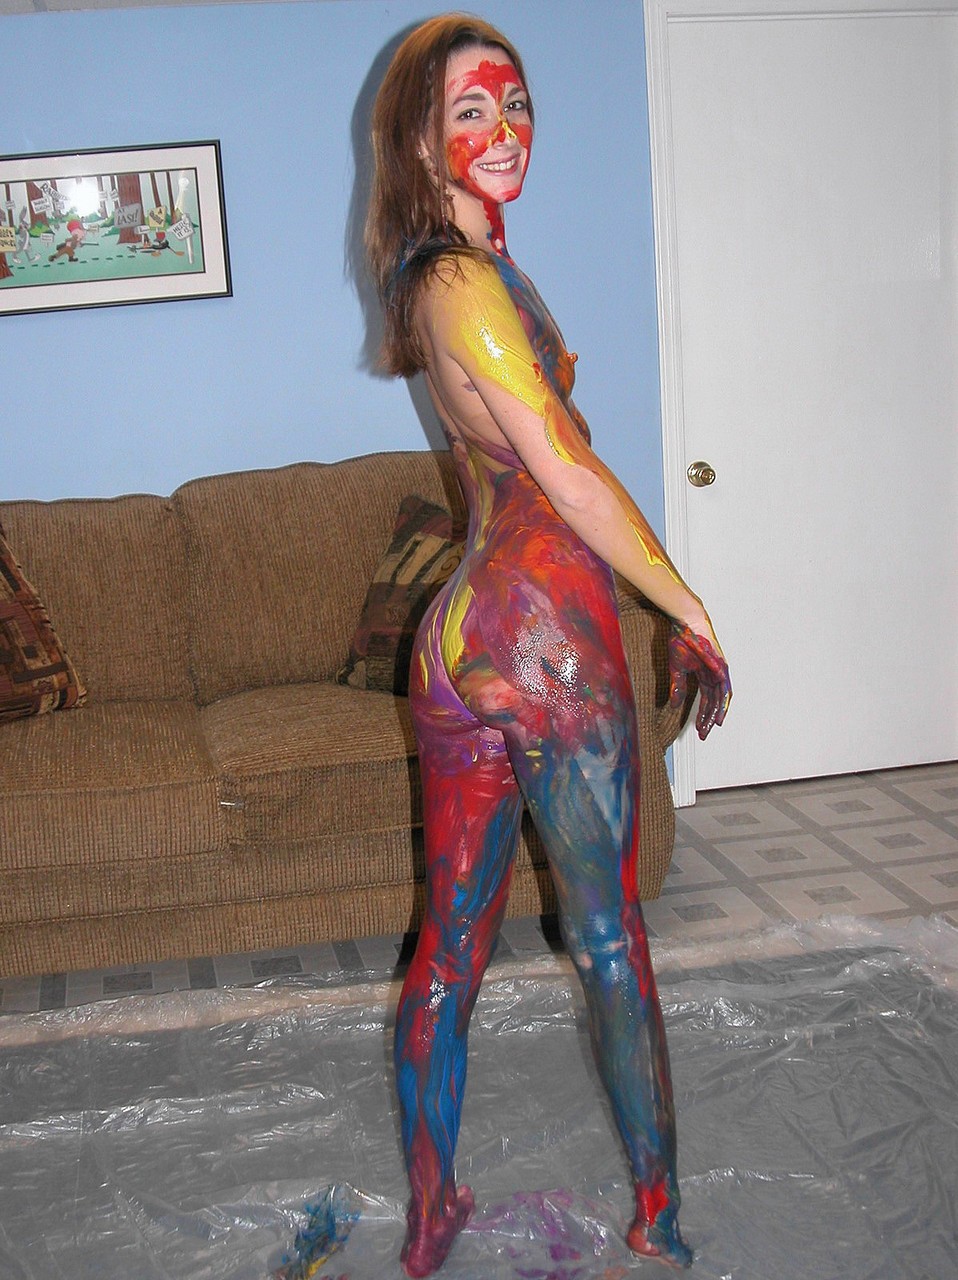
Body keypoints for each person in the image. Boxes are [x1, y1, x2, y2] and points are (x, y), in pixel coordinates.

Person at [365, 14, 731, 1277]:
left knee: (448, 946)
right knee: (610, 942)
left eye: (514, 101)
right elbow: (566, 472)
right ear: (423, 142)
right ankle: (657, 1213)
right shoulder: (461, 285)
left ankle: (431, 1214)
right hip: (541, 637)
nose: (504, 128)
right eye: (470, 110)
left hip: (460, 639)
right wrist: (686, 604)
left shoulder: (453, 269)